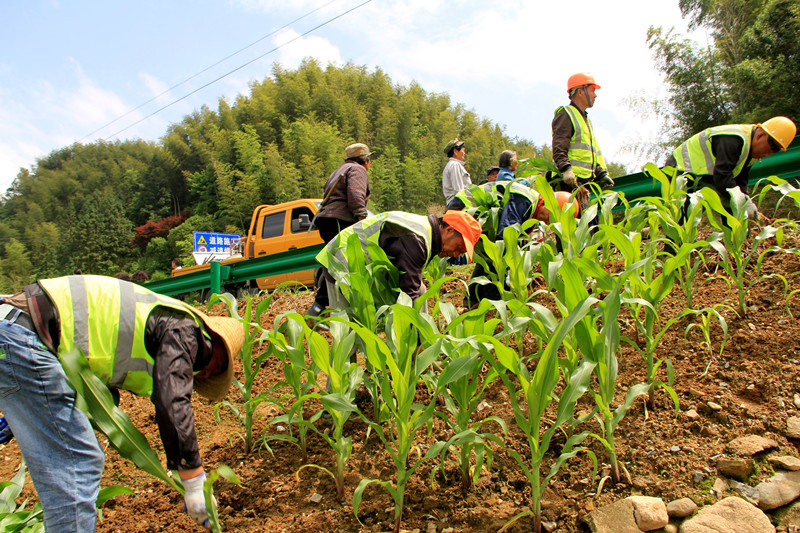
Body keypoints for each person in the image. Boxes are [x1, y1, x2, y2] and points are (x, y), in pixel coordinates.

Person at [0, 274, 245, 532]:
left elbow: (96, 392)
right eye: (216, 365)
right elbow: (172, 401)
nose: (206, 373)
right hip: (23, 338)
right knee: (78, 464)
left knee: (78, 459)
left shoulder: (159, 326)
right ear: (213, 338)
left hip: (17, 333)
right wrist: (194, 481)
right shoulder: (185, 330)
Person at [317, 210, 482, 309]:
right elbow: (408, 293)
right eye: (459, 247)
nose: (455, 255)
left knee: (421, 290)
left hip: (362, 264)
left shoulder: (426, 234)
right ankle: (343, 367)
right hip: (341, 259)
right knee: (349, 329)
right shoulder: (416, 240)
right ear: (449, 230)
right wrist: (418, 344)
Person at [665, 116, 796, 220]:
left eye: (774, 152)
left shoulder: (751, 151)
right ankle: (669, 252)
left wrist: (745, 200)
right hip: (680, 170)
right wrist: (742, 204)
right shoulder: (734, 140)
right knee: (687, 213)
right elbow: (722, 177)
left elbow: (739, 181)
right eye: (769, 149)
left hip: (703, 175)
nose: (767, 154)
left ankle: (736, 244)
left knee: (731, 205)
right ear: (761, 135)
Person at [306, 143, 373, 327]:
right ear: (366, 161)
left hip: (326, 220)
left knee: (333, 265)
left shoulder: (339, 170)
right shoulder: (358, 170)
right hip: (341, 221)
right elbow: (355, 195)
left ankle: (317, 309)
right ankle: (336, 312)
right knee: (344, 267)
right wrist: (362, 222)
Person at [551, 72, 614, 211]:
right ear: (580, 91)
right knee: (581, 226)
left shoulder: (586, 120)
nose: (595, 95)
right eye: (592, 90)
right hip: (569, 182)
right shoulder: (566, 114)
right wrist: (566, 170)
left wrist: (601, 174)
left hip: (582, 182)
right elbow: (559, 148)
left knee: (589, 226)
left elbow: (589, 153)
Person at [442, 138, 472, 210]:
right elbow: (459, 190)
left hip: (454, 204)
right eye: (463, 150)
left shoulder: (451, 165)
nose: (464, 153)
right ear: (455, 151)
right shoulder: (455, 165)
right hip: (458, 205)